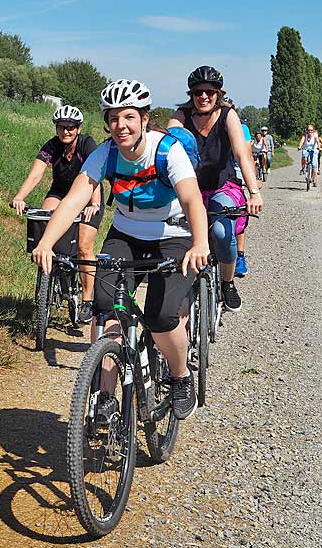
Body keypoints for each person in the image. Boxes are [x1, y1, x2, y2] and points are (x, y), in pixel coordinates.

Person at [32, 79, 210, 420]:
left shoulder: (166, 150)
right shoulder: (106, 153)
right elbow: (73, 200)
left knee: (161, 315)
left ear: (144, 118)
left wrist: (200, 242)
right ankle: (104, 394)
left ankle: (180, 375)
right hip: (126, 235)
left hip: (173, 235)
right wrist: (46, 242)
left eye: (128, 116)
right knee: (106, 305)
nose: (120, 125)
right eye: (113, 118)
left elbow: (190, 198)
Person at [168, 67, 264, 299]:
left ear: (218, 93)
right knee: (176, 236)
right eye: (198, 92)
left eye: (210, 91)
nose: (204, 96)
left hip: (223, 186)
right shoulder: (181, 115)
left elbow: (242, 154)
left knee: (222, 233)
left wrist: (254, 192)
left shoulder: (227, 114)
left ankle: (228, 282)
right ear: (191, 94)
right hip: (189, 190)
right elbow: (168, 142)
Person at [11, 105, 102, 323]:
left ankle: (88, 300)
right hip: (60, 193)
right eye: (61, 127)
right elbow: (36, 175)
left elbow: (96, 175)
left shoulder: (87, 144)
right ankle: (51, 279)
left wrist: (95, 203)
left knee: (83, 247)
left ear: (78, 128)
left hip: (89, 193)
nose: (66, 132)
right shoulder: (52, 146)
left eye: (70, 127)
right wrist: (19, 197)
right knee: (46, 225)